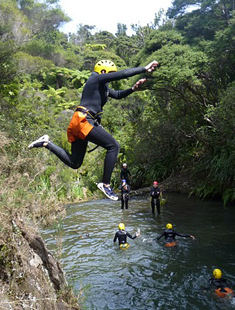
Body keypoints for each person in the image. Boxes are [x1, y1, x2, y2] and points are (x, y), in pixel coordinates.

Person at [28, 59, 159, 201]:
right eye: (110, 74)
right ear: (103, 72)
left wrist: (132, 89)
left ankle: (46, 143)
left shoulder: (104, 89)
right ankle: (106, 184)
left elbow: (118, 95)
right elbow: (123, 74)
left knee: (75, 163)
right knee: (113, 146)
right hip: (84, 119)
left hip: (78, 122)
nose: (111, 77)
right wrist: (144, 69)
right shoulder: (95, 78)